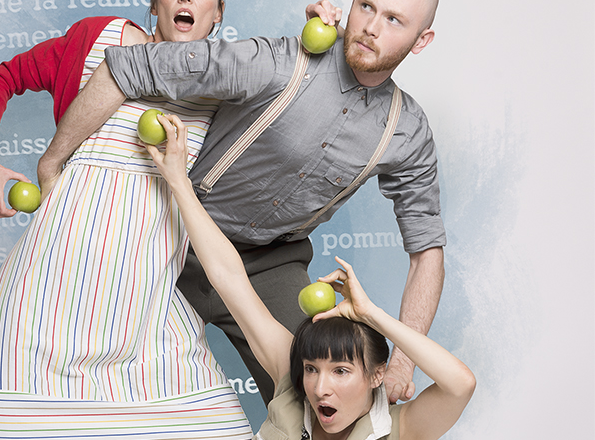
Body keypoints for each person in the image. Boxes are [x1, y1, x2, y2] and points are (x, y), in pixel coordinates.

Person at [37, 0, 444, 405]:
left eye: (394, 20)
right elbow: (127, 67)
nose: (370, 27)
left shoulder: (407, 130)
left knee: (322, 403)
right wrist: (52, 161)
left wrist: (404, 361)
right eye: (366, 6)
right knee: (89, 380)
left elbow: (427, 253)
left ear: (421, 41)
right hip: (171, 240)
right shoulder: (277, 61)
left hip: (270, 264)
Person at [0, 0, 254, 437]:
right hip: (48, 298)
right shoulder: (99, 40)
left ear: (217, 12)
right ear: (154, 2)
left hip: (146, 308)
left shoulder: (228, 79)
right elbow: (4, 77)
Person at [149, 114, 475, 439]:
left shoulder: (397, 429)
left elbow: (460, 384)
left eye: (341, 371)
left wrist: (371, 315)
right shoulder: (292, 392)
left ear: (377, 375)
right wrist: (179, 182)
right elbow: (229, 278)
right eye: (311, 370)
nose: (320, 388)